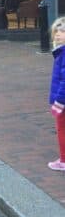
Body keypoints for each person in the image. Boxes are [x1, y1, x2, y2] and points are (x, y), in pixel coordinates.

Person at [48, 17, 65, 171]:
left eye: (62, 31)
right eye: (56, 31)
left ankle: (64, 160)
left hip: (62, 102)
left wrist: (59, 102)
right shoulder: (60, 52)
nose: (58, 34)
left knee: (62, 129)